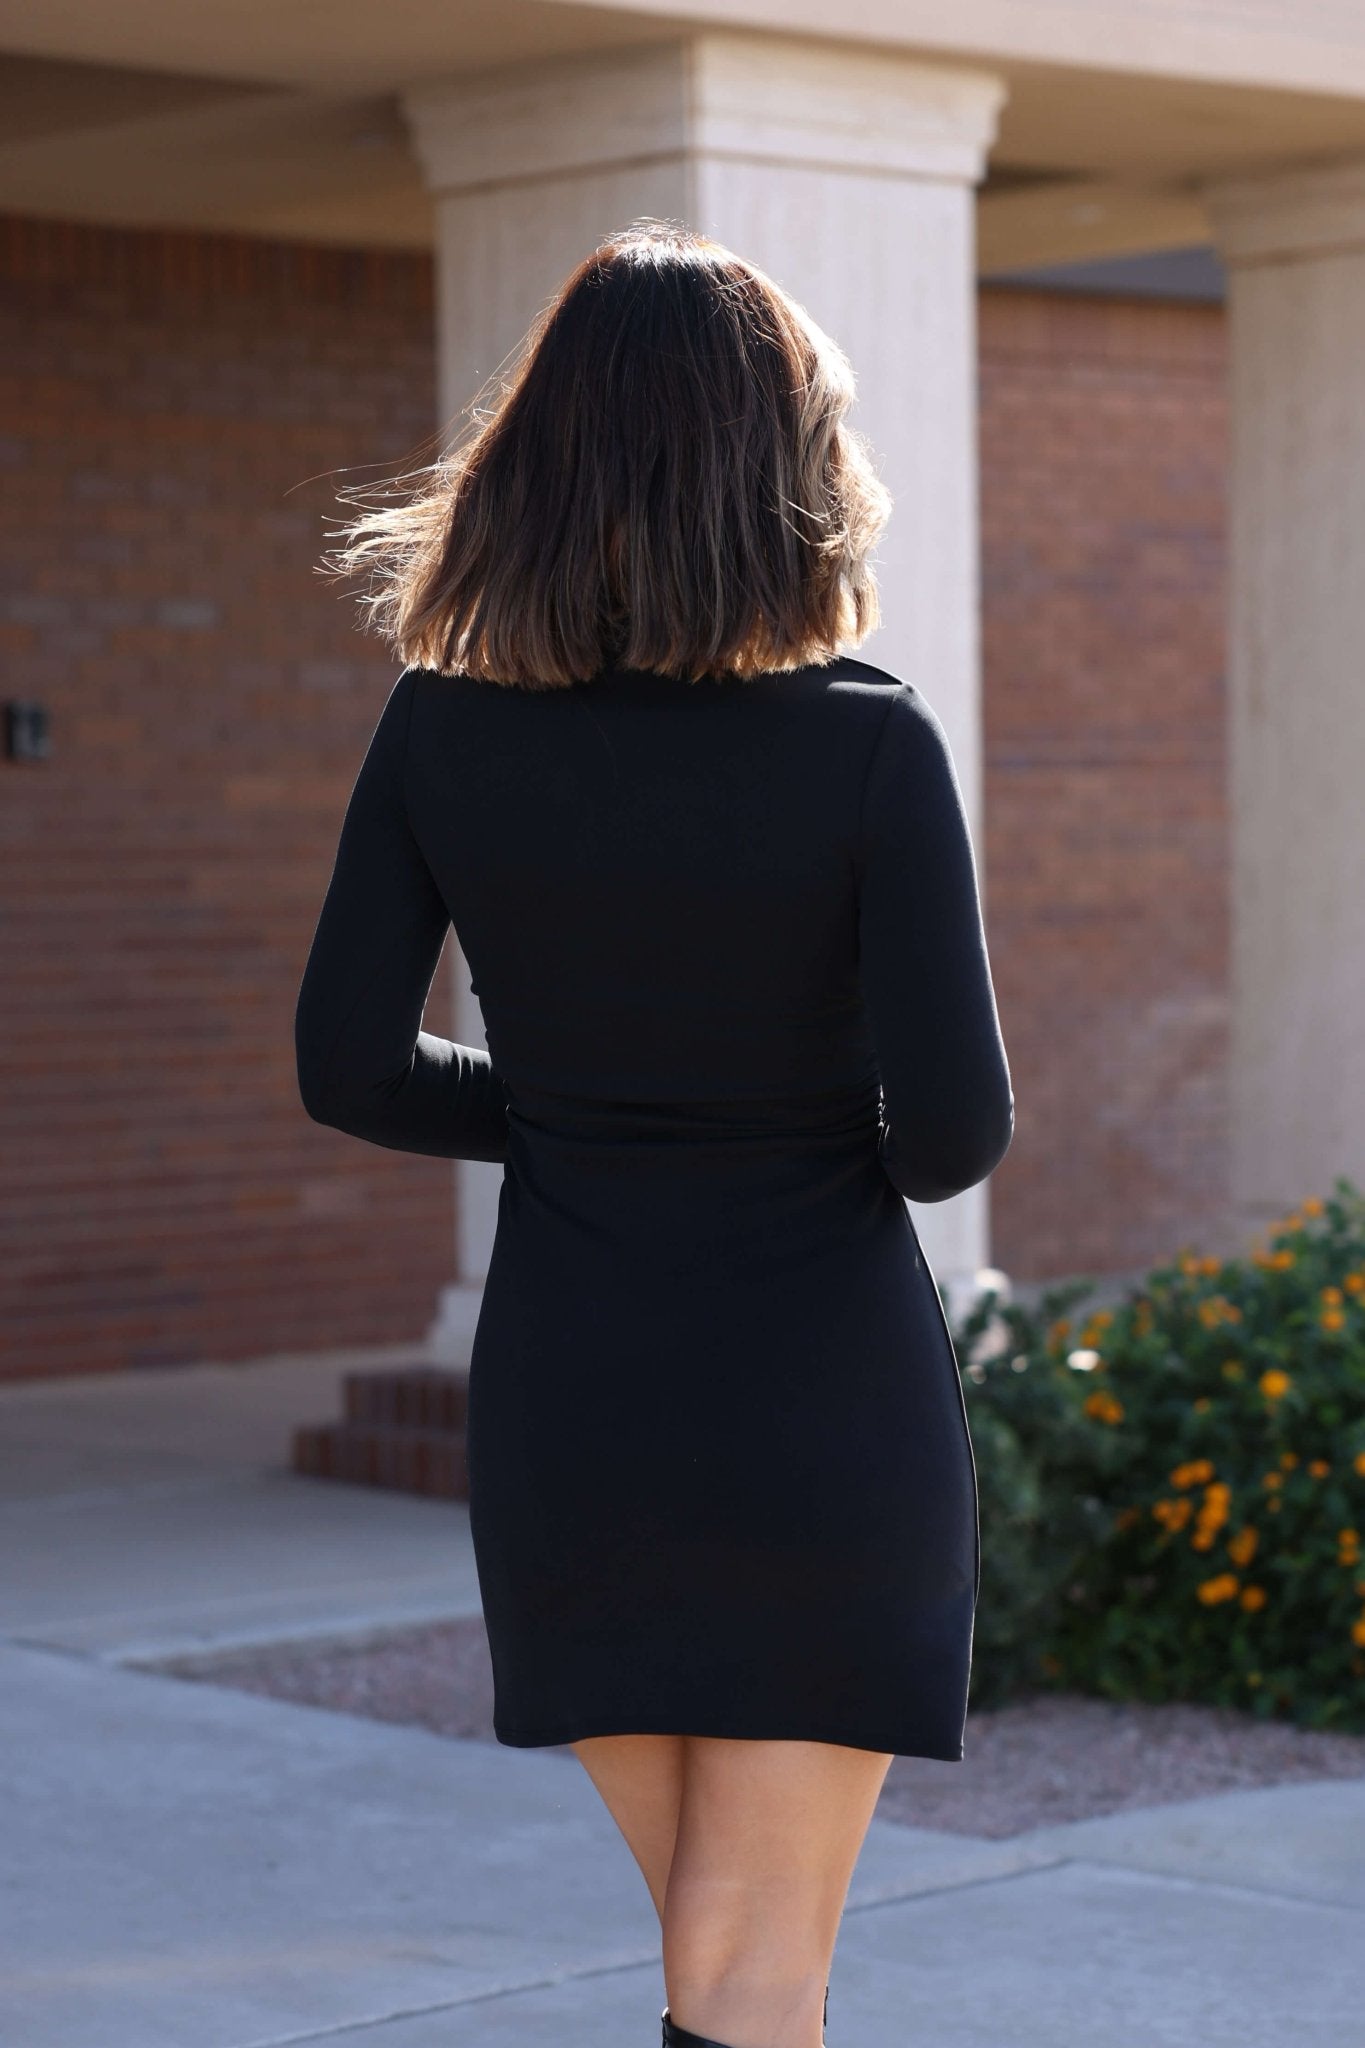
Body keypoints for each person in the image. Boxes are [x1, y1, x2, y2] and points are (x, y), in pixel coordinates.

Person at [294, 218, 1014, 2048]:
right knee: (753, 1980)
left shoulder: (440, 730)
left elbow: (351, 1067)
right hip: (813, 1415)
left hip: (575, 1412)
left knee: (725, 1968)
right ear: (785, 471)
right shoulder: (869, 746)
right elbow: (947, 1142)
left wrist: (579, 1115)